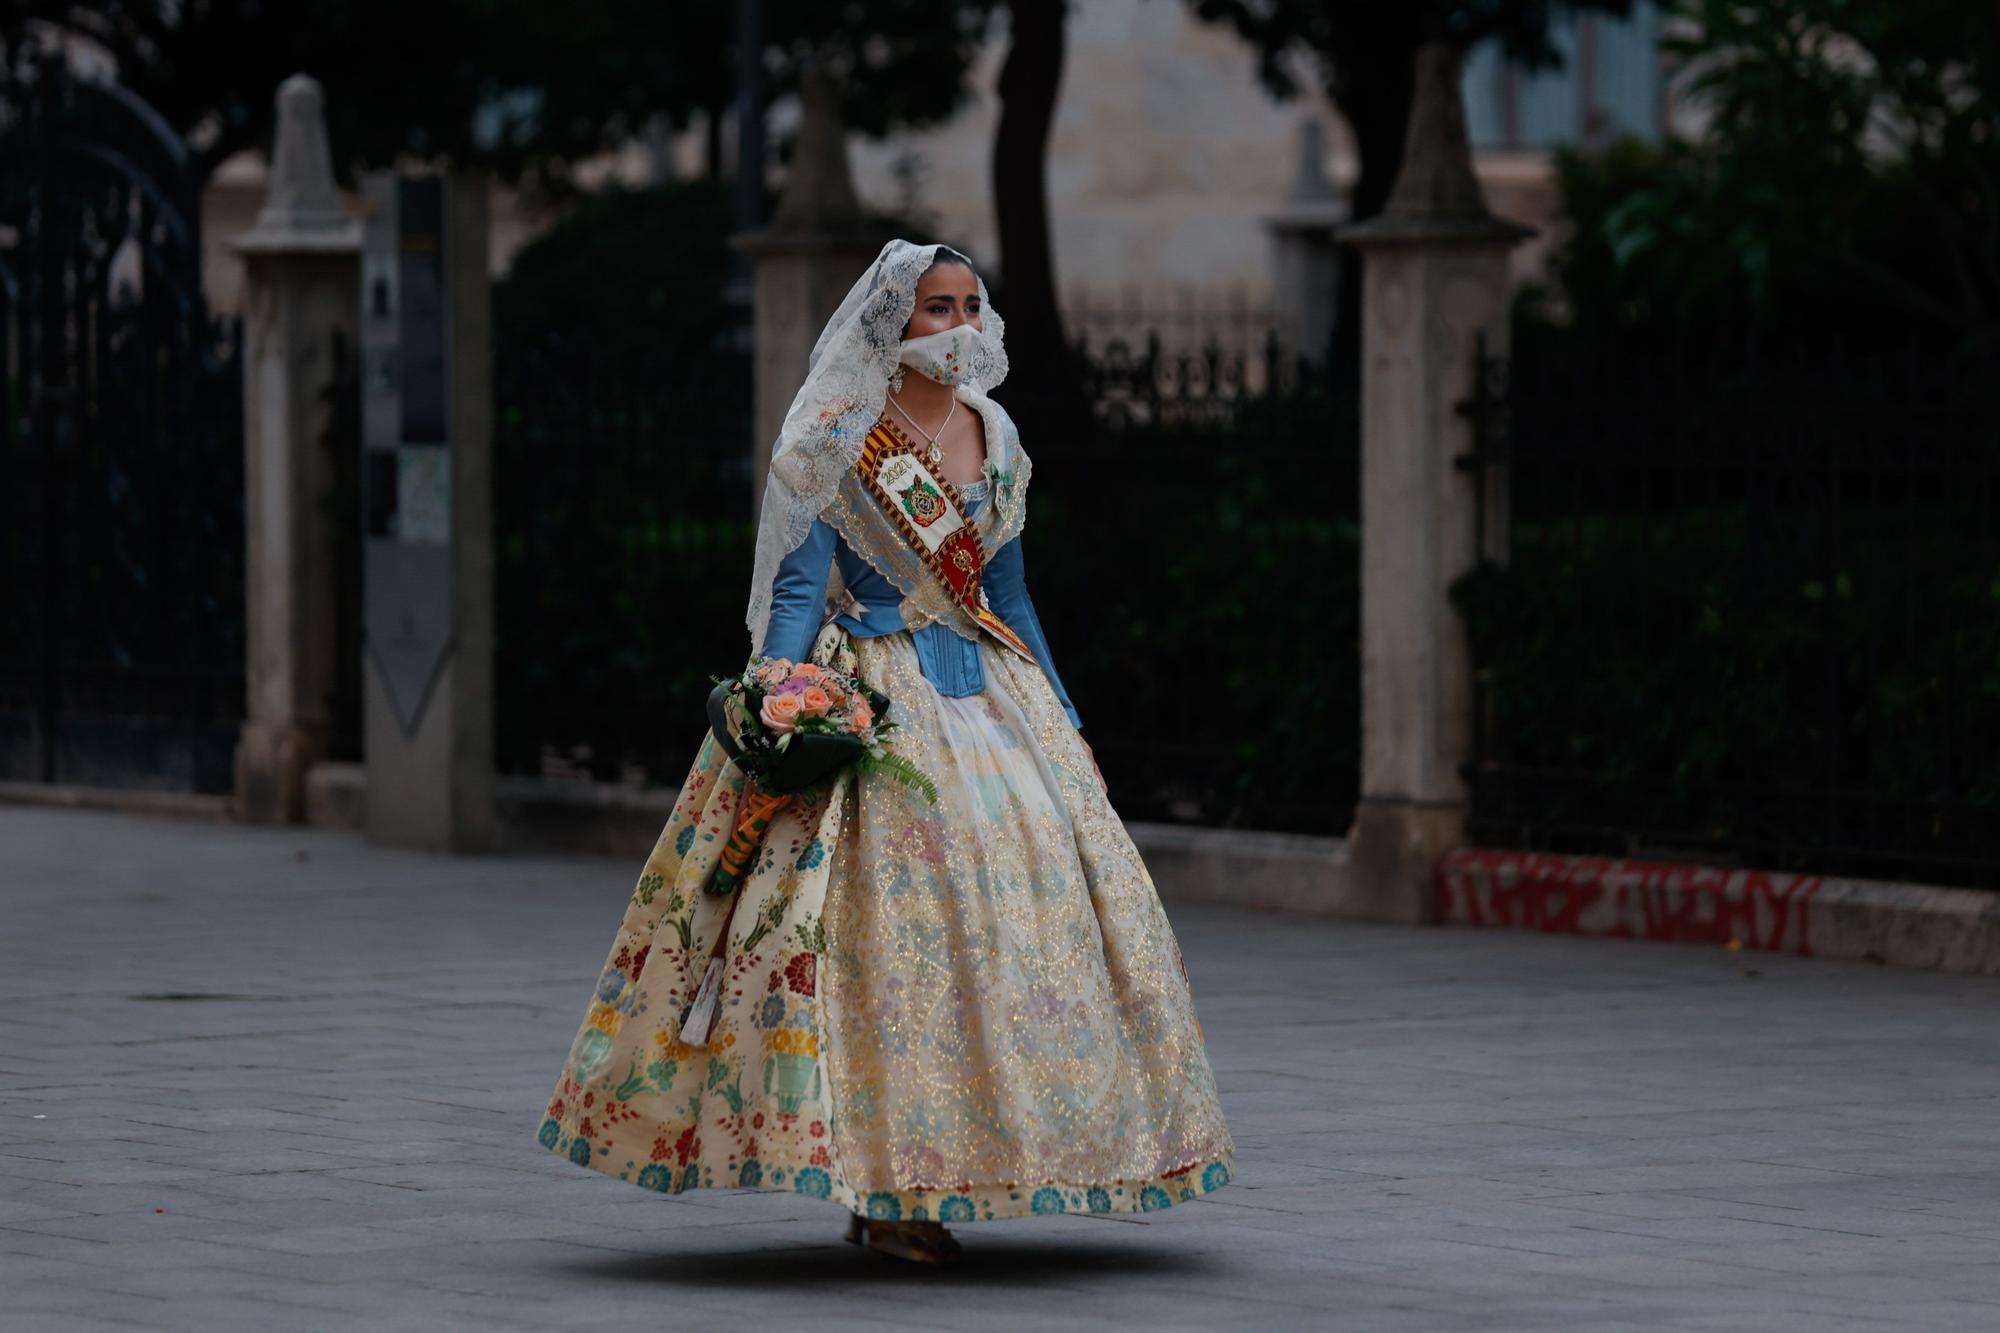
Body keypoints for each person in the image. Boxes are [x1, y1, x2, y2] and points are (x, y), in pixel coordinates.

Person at [535, 239, 1233, 1265]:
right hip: (876, 688)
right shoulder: (839, 432)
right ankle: (889, 1183)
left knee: (1035, 925)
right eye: (934, 308)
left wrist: (1061, 707)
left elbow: (1010, 592)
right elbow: (791, 591)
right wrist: (778, 694)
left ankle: (1012, 1147)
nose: (956, 324)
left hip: (996, 704)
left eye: (969, 304)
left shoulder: (995, 432)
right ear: (891, 322)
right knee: (887, 945)